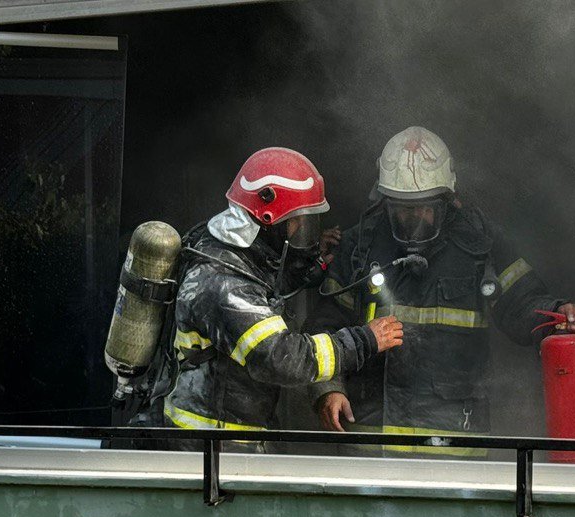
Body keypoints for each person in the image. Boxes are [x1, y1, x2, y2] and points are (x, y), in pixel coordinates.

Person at [306, 127, 575, 457]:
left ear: (446, 201)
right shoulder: (358, 247)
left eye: (424, 208)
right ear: (384, 201)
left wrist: (559, 313)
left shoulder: (479, 246)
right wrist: (327, 389)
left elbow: (522, 302)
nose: (413, 219)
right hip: (371, 444)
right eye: (402, 209)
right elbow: (324, 325)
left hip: (455, 451)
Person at [160, 147, 403, 445]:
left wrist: (301, 267)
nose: (304, 229)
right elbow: (280, 358)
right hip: (210, 448)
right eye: (297, 221)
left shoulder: (234, 254)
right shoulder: (223, 282)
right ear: (268, 220)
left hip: (230, 439)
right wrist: (363, 341)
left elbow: (261, 292)